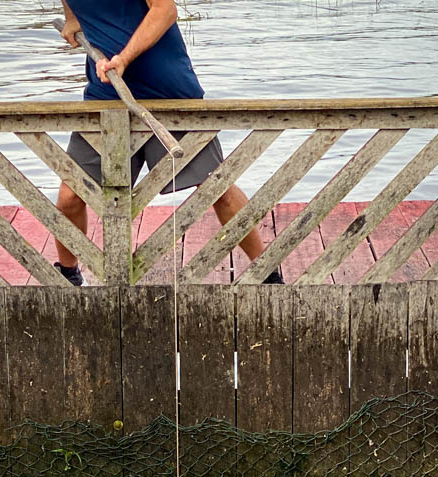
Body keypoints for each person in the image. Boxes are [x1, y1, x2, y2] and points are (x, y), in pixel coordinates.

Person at [55, 0, 283, 286]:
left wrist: (123, 59)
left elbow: (165, 9)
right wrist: (72, 17)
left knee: (217, 188)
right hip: (107, 97)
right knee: (70, 196)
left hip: (168, 91)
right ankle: (68, 277)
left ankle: (269, 276)